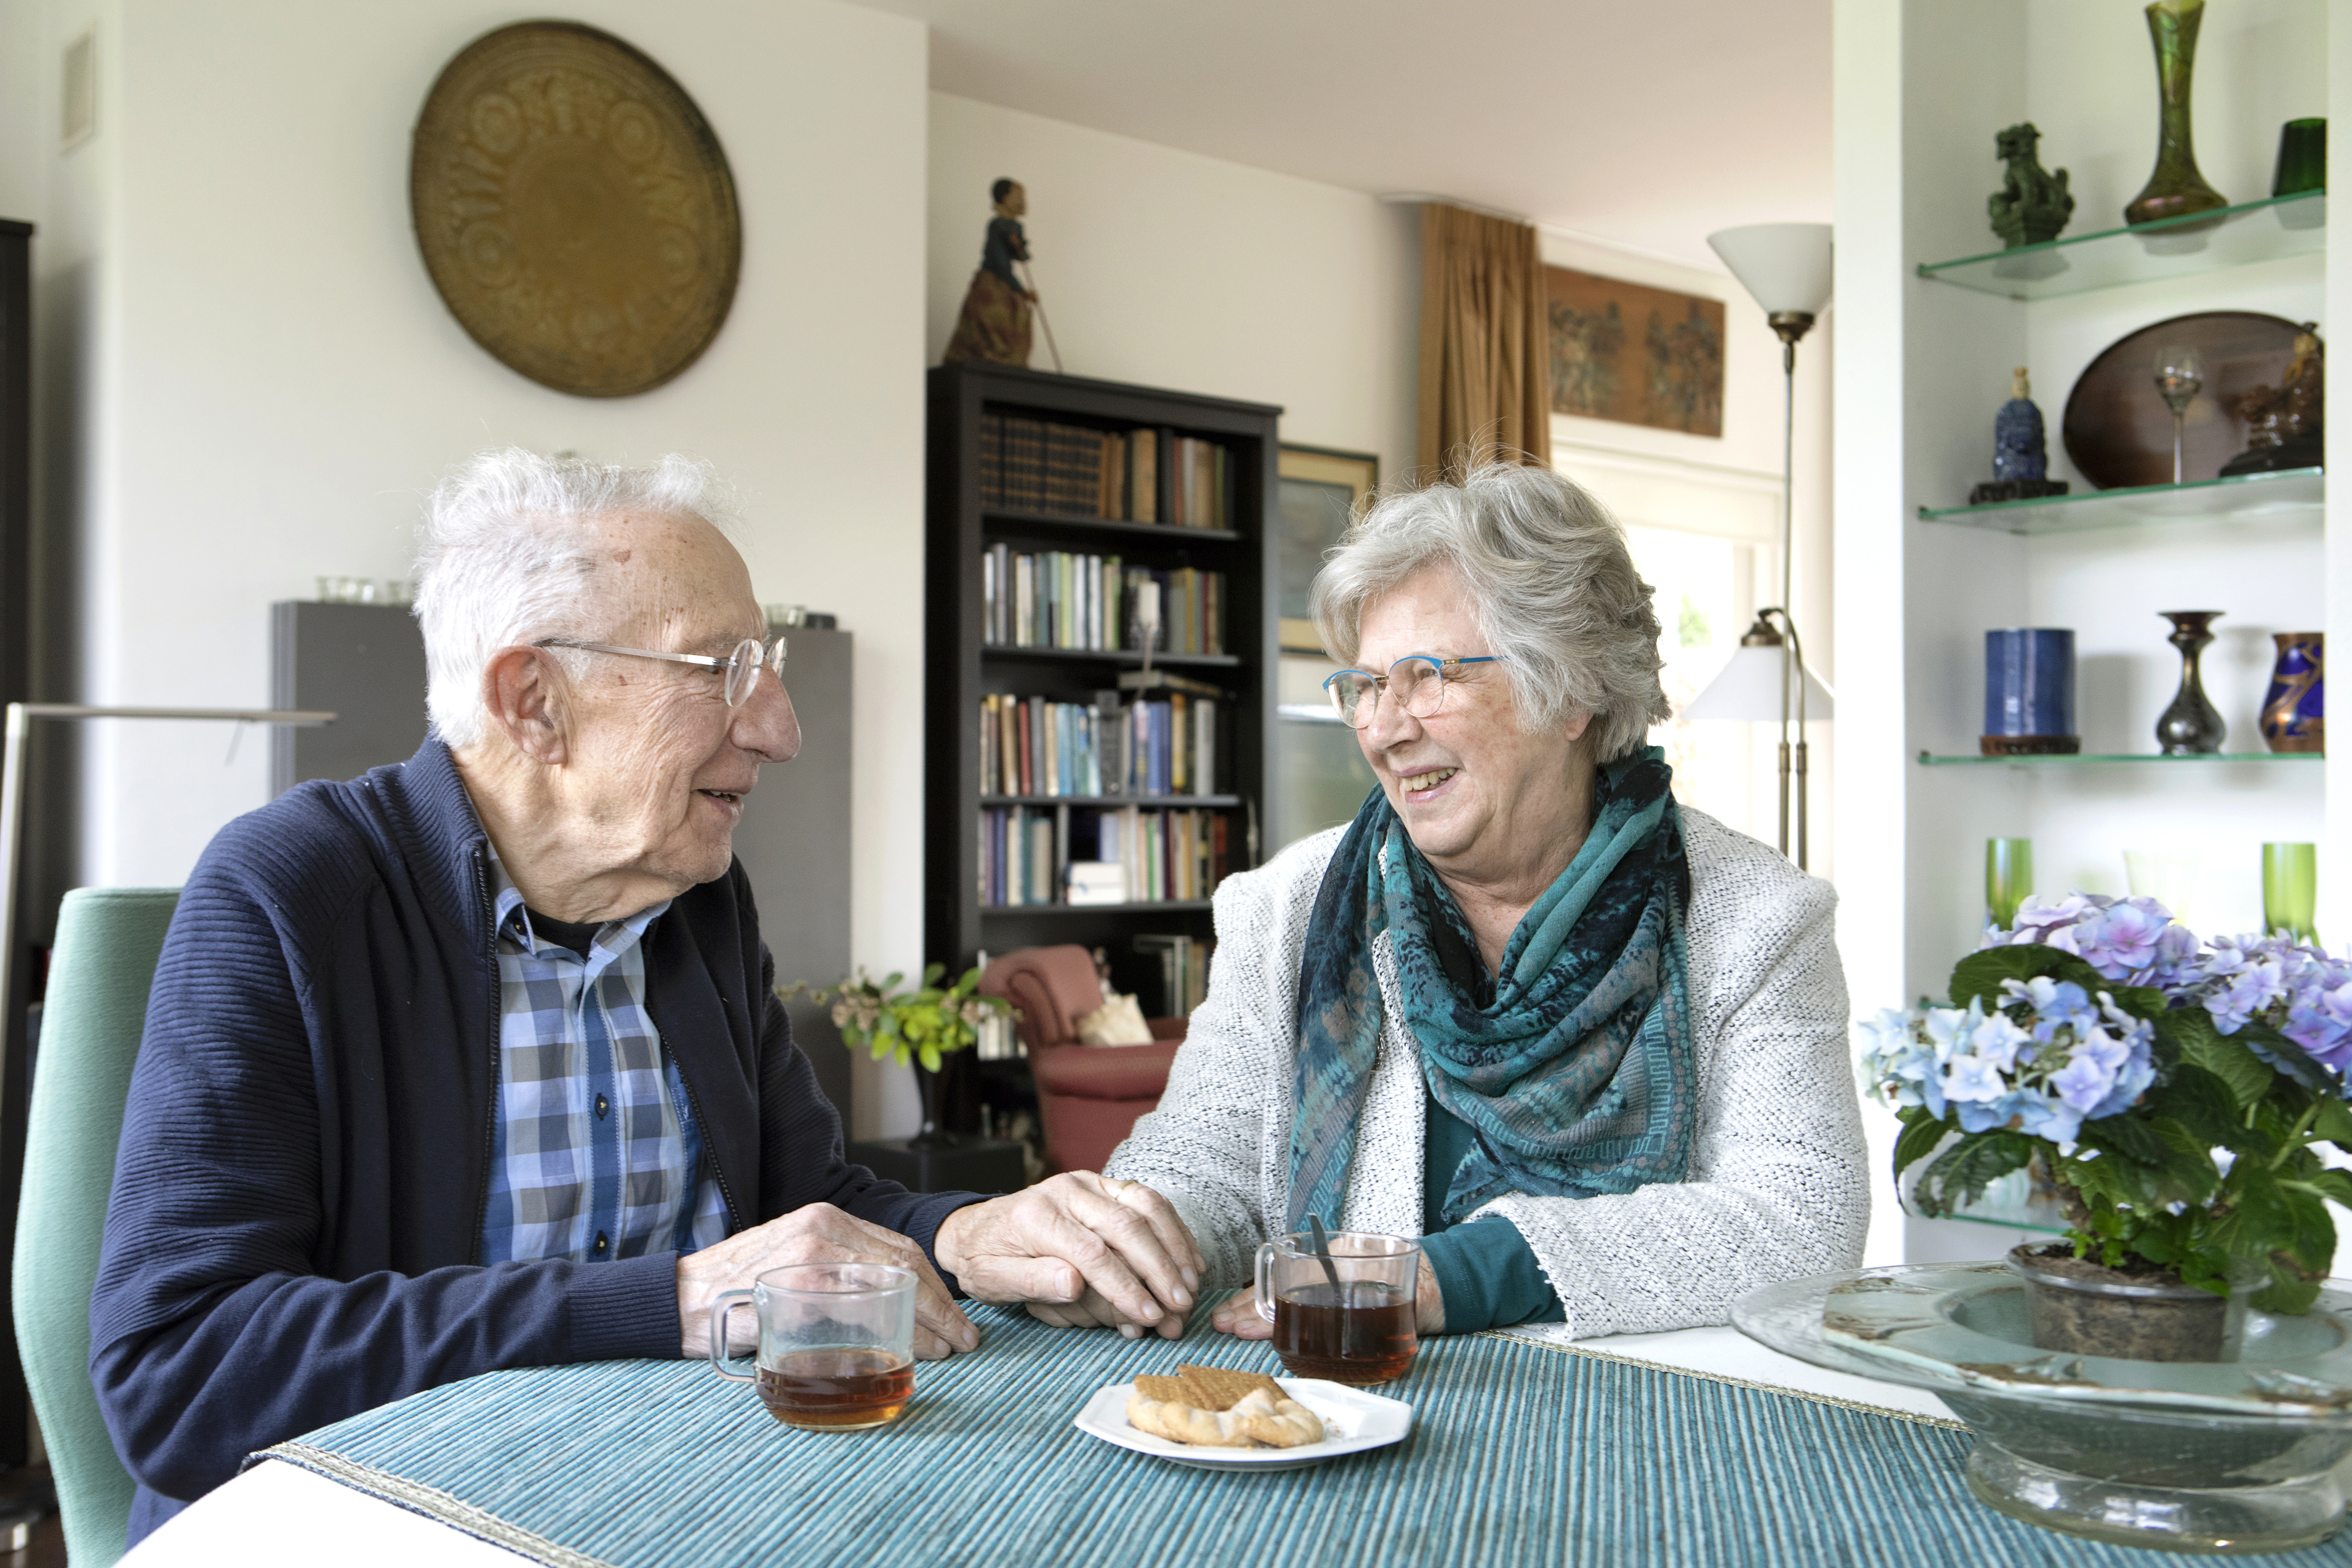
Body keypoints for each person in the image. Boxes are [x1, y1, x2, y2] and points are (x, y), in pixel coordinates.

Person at [89, 451, 1198, 1544]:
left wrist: (968, 1232)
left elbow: (803, 1207)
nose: (778, 728)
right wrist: (676, 1300)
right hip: (382, 1517)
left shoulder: (700, 900)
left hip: (662, 1488)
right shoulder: (291, 892)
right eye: (719, 669)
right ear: (532, 703)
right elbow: (182, 1371)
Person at [1095, 460, 1866, 1343]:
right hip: (1337, 1408)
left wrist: (1437, 1276)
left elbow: (1798, 1223)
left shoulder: (1753, 920)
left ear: (1570, 686)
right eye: (1363, 687)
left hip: (1643, 1425)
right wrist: (1128, 1234)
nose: (1383, 729)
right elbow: (1211, 1158)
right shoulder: (1285, 908)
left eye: (1427, 675)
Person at [941, 177, 1035, 367]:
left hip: (1006, 281)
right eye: (1018, 196)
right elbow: (999, 262)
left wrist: (1019, 246)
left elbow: (1023, 256)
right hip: (994, 280)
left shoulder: (1016, 227)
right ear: (1006, 198)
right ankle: (991, 355)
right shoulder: (997, 225)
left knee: (1019, 318)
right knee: (991, 318)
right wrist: (1019, 289)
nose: (1023, 201)